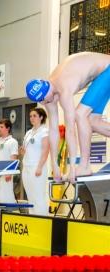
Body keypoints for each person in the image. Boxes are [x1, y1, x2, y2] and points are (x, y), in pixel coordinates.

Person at [26, 52, 110, 182]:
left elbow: (70, 131)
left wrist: (73, 167)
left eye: (44, 100)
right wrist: (55, 165)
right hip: (102, 74)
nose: (44, 103)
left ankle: (84, 166)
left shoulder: (63, 88)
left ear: (47, 91)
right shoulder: (48, 95)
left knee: (80, 114)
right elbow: (53, 131)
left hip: (107, 69)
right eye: (42, 101)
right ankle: (83, 166)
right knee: (92, 121)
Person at [20, 108, 49, 216]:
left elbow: (46, 151)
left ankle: (43, 220)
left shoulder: (44, 131)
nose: (32, 118)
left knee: (38, 196)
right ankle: (33, 218)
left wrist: (40, 167)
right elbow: (26, 150)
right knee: (30, 196)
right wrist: (22, 151)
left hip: (37, 167)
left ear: (41, 117)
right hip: (26, 167)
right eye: (30, 116)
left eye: (34, 116)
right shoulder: (28, 133)